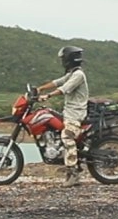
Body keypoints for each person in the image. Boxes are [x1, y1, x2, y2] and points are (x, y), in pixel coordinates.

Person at [36, 45, 89, 187]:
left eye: (63, 59)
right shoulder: (72, 73)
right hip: (69, 112)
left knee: (67, 136)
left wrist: (47, 95)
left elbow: (64, 88)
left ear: (69, 59)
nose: (62, 61)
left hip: (76, 114)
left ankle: (74, 174)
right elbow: (58, 82)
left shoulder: (78, 75)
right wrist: (40, 88)